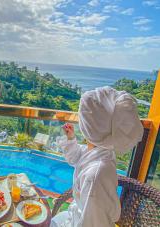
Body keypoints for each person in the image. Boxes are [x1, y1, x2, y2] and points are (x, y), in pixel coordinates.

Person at [51, 86, 144, 227]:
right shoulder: (100, 151)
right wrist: (71, 139)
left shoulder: (96, 176)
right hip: (77, 214)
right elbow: (76, 158)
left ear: (88, 126)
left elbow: (92, 223)